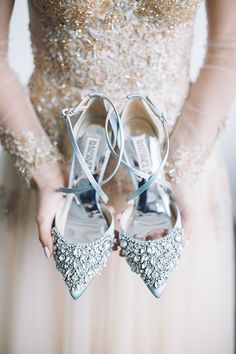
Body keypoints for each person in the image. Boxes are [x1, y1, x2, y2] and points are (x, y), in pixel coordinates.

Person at [0, 0, 235, 353]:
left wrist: (181, 172)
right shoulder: (48, 175)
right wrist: (44, 171)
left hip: (175, 170)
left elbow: (227, 48)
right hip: (55, 177)